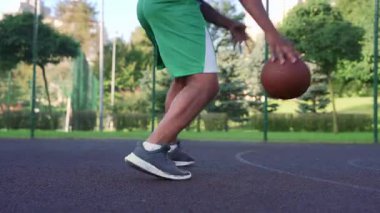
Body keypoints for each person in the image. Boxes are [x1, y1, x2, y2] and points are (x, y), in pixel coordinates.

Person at [125, 0, 299, 180]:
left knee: (184, 79)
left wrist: (229, 24)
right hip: (174, 6)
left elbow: (198, 3)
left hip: (150, 7)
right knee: (205, 84)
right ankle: (152, 148)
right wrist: (272, 33)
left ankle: (169, 146)